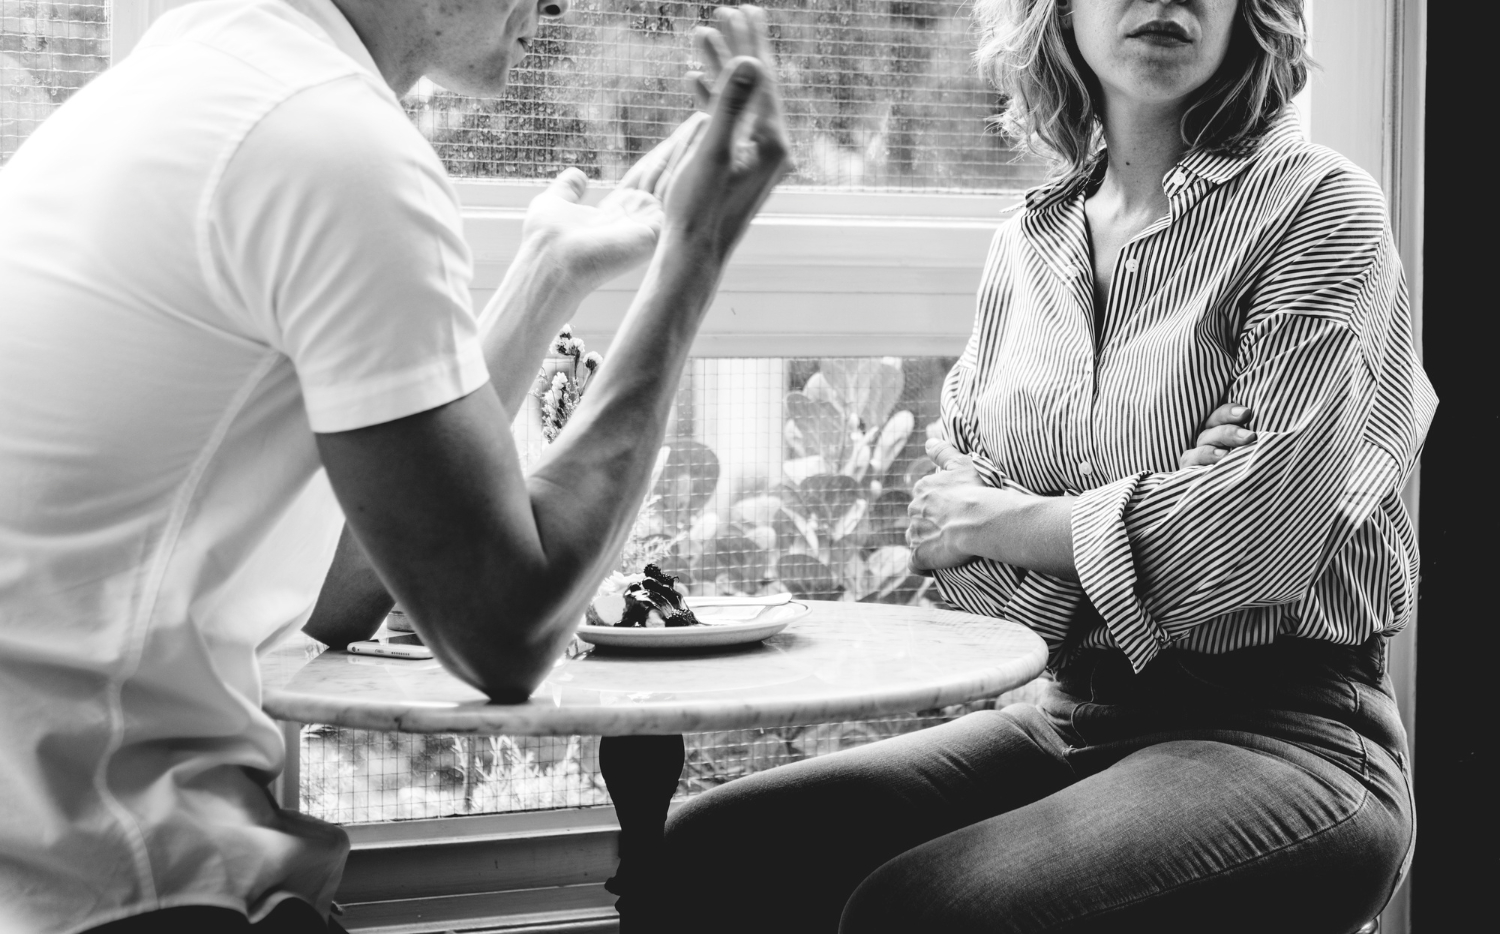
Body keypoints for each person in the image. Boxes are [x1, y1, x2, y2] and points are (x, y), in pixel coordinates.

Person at [0, 0, 789, 929]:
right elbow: (507, 631)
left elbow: (342, 587)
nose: (563, 3)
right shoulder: (331, 139)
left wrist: (546, 276)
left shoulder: (174, 91)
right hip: (133, 896)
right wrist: (695, 255)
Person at [658, 1, 1433, 932]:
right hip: (1066, 712)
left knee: (920, 911)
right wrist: (1168, 511)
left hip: (1286, 735)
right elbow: (965, 569)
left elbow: (1260, 540)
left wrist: (1013, 519)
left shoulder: (1321, 208)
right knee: (707, 851)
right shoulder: (1029, 243)